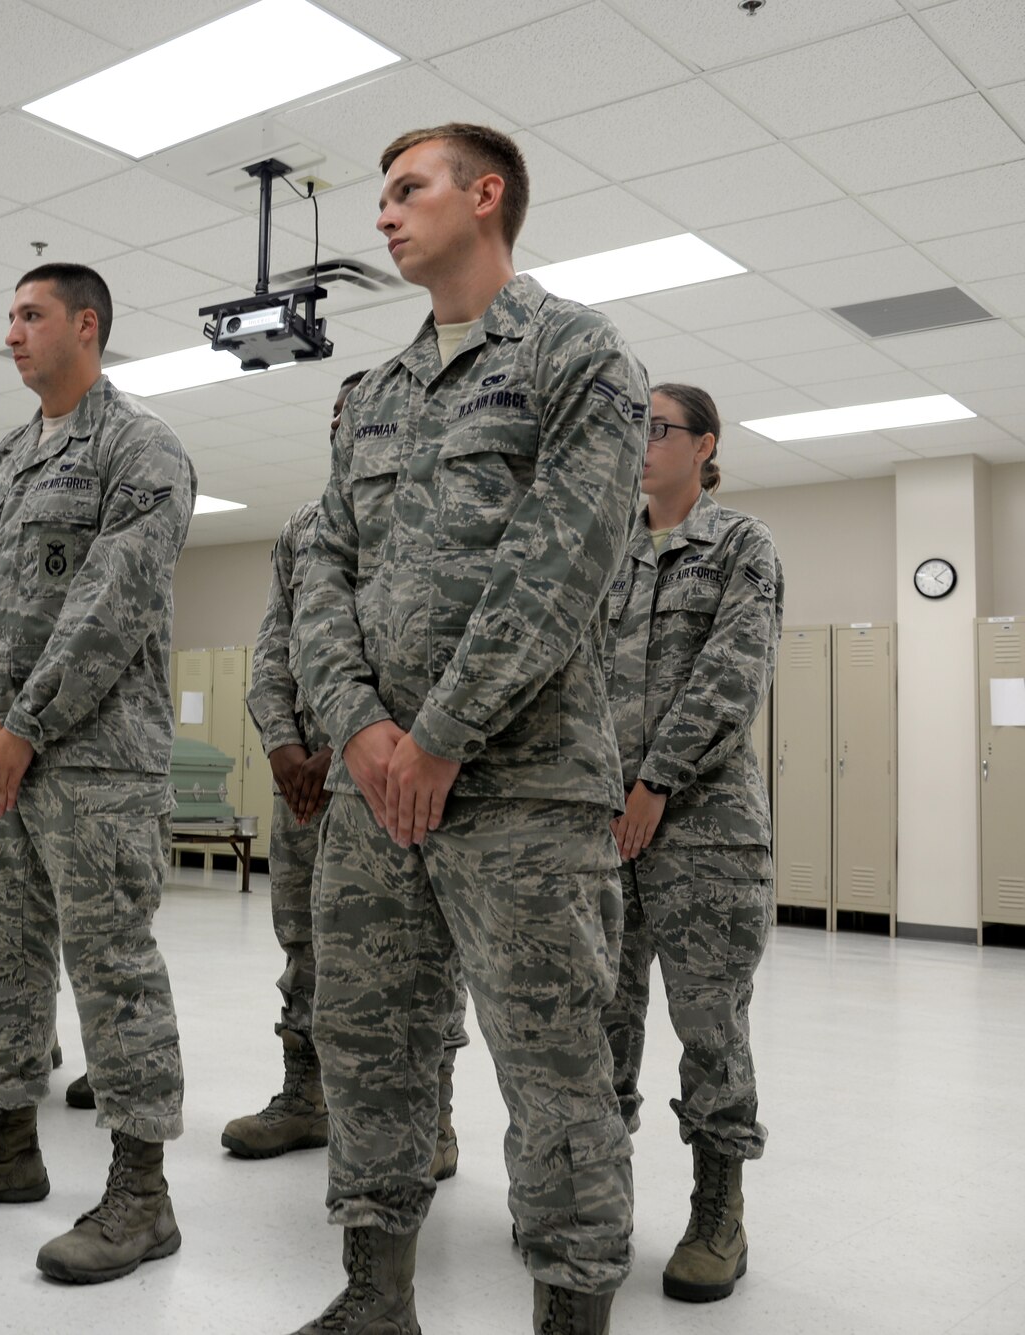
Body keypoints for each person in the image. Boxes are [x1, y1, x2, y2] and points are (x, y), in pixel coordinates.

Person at [291, 123, 647, 1334]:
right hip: (371, 791)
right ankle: (372, 1296)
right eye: (380, 194)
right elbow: (319, 570)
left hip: (520, 786)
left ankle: (569, 1312)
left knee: (552, 1068)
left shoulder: (574, 354)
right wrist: (358, 731)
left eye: (405, 190)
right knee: (368, 1043)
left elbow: (564, 562)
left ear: (484, 196)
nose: (381, 216)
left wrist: (436, 736)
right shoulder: (376, 395)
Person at [0, 263, 194, 1286]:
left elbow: (113, 603)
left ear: (85, 326)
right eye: (7, 315)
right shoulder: (6, 458)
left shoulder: (139, 447)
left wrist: (20, 726)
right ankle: (7, 1144)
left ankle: (139, 1194)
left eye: (29, 315)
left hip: (94, 763)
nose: (11, 332)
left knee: (113, 971)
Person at [226, 374, 472, 1174]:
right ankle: (306, 1095)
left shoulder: (438, 512)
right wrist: (281, 747)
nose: (349, 428)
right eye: (339, 416)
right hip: (305, 781)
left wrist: (349, 738)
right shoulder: (303, 529)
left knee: (424, 953)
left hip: (392, 770)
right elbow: (276, 643)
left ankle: (431, 1115)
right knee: (304, 944)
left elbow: (432, 648)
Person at [601, 383, 781, 1304]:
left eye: (658, 427)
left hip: (706, 837)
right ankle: (595, 1202)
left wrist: (655, 782)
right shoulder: (608, 552)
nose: (641, 440)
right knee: (601, 1025)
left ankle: (719, 1216)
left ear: (706, 444)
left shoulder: (742, 547)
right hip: (604, 833)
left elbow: (730, 677)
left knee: (710, 1030)